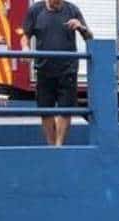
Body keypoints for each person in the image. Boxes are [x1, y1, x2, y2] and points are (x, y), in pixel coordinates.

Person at [21, 0, 92, 146]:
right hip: (44, 68)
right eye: (54, 2)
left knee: (66, 110)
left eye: (60, 2)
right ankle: (51, 145)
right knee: (45, 111)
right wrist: (25, 48)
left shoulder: (73, 10)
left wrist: (81, 27)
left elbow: (90, 37)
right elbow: (24, 35)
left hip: (68, 69)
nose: (57, 4)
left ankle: (59, 147)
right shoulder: (35, 10)